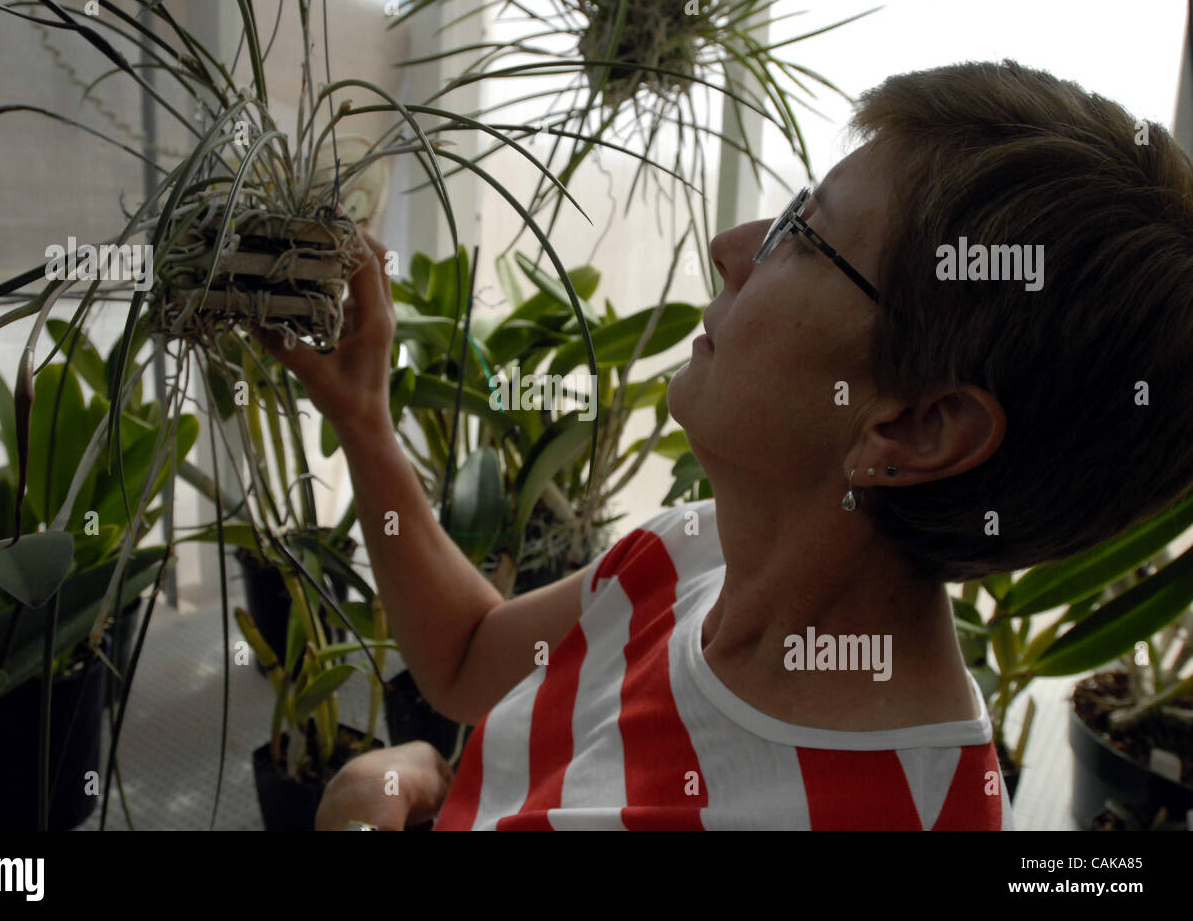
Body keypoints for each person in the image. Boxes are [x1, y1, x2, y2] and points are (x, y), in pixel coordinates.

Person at [264, 59, 1193, 830]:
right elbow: (468, 661)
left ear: (914, 425)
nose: (730, 244)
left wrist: (355, 810)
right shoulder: (696, 551)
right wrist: (365, 421)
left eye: (803, 234)